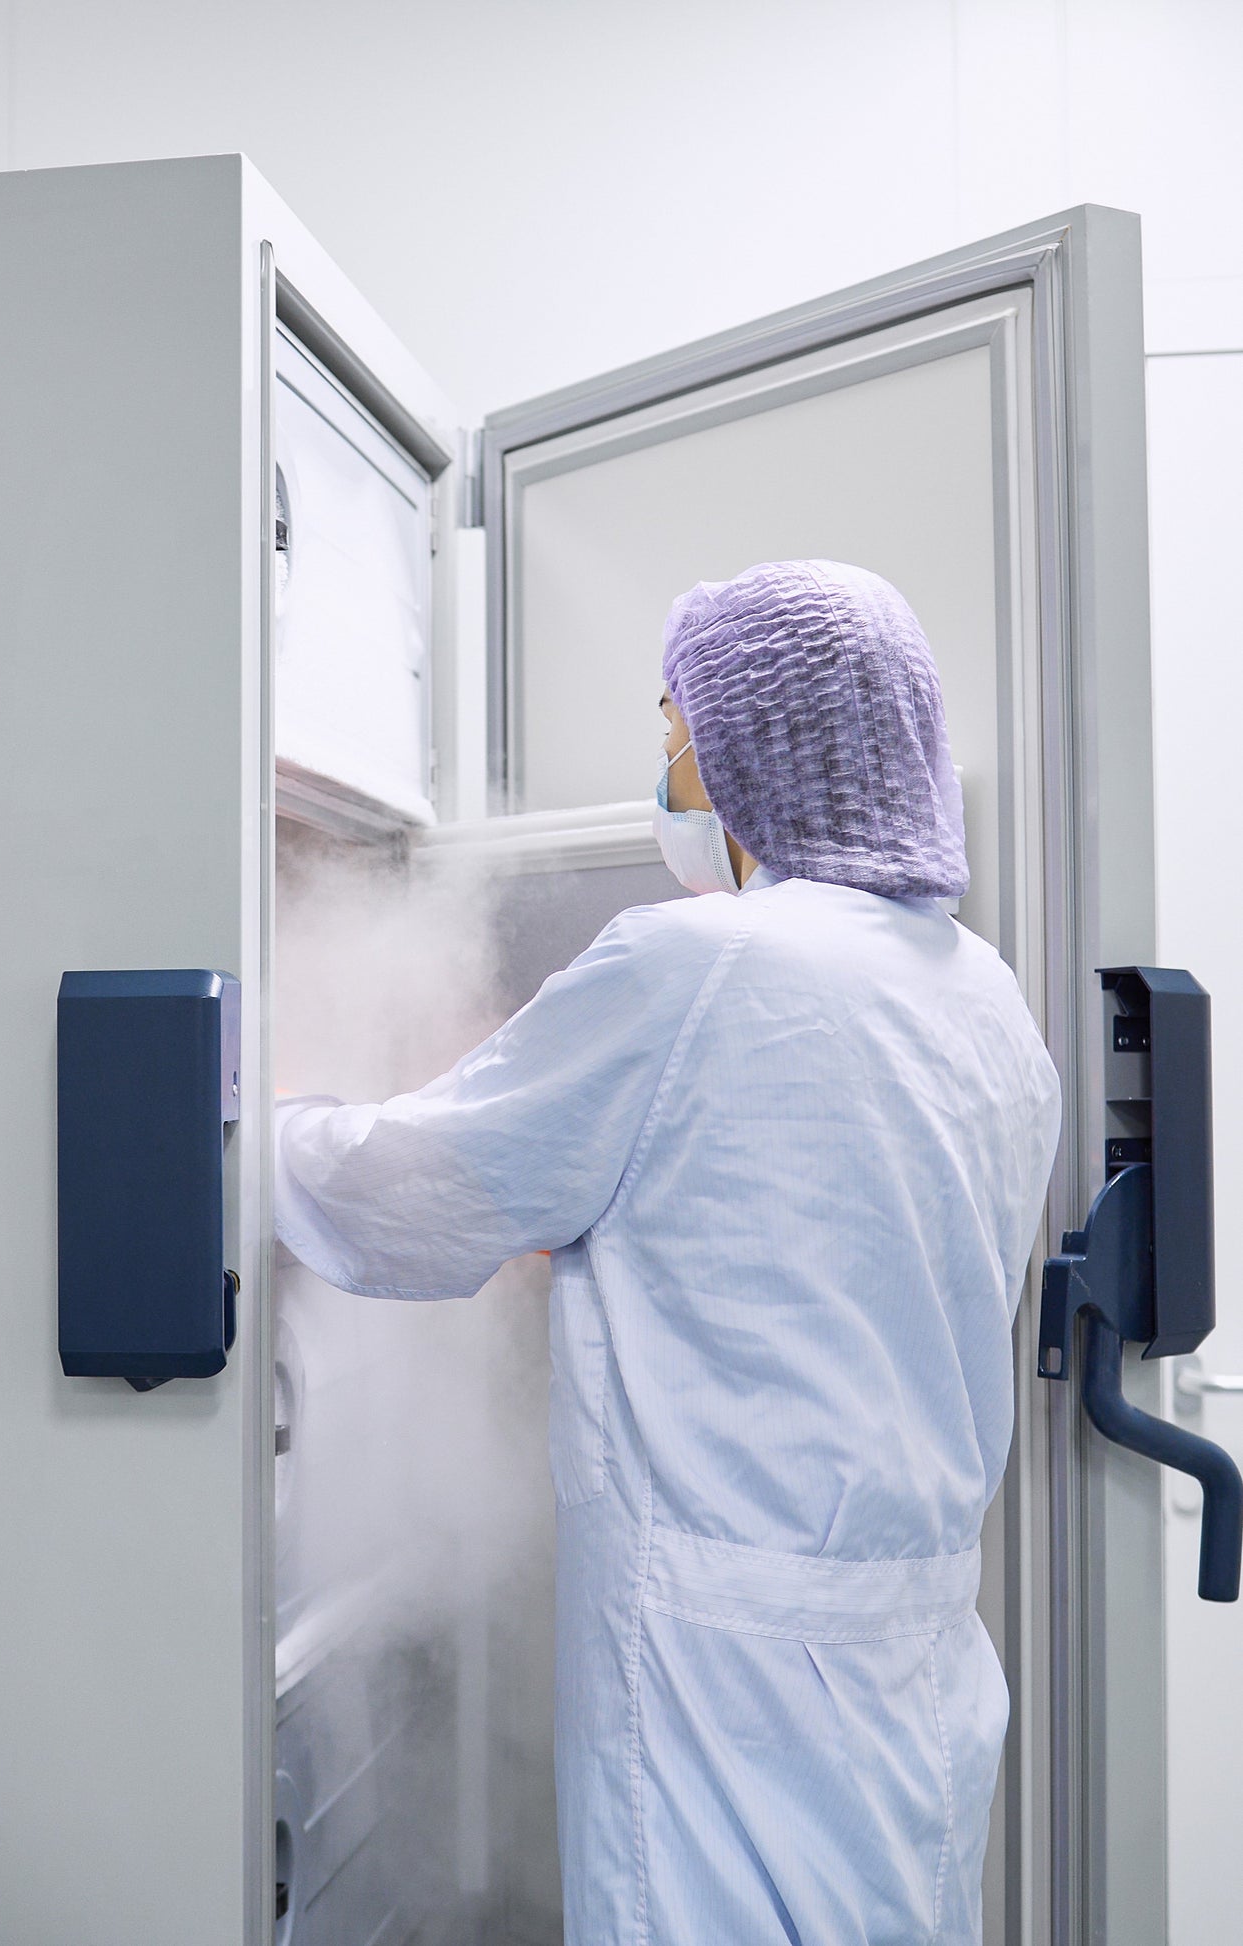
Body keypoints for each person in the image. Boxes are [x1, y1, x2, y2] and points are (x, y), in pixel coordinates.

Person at [276, 560, 1061, 1944]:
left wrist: (250, 1126)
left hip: (724, 1670)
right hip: (914, 1659)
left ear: (759, 742)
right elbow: (783, 1242)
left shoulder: (705, 966)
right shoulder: (982, 996)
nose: (668, 773)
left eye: (673, 732)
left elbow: (402, 1197)